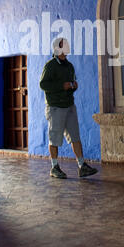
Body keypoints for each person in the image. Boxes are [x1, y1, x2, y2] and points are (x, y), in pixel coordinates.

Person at [39, 37, 98, 179]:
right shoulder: (50, 66)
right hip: (55, 108)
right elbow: (43, 85)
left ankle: (82, 166)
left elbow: (69, 84)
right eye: (62, 45)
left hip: (69, 106)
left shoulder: (69, 66)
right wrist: (61, 86)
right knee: (55, 138)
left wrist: (73, 87)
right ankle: (54, 167)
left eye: (66, 44)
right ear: (56, 48)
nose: (66, 47)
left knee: (75, 136)